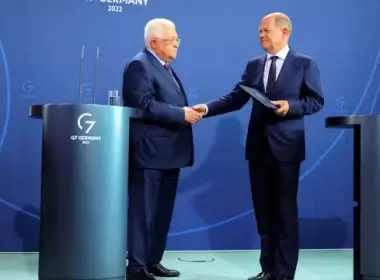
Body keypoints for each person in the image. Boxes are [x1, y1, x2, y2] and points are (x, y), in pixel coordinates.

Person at [193, 12, 324, 280]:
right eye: (259, 31)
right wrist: (206, 108)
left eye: (266, 31)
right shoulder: (254, 65)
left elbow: (316, 100)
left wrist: (292, 107)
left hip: (287, 149)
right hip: (258, 148)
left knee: (285, 211)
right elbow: (236, 98)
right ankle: (268, 269)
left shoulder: (304, 63)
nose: (261, 35)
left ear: (284, 33)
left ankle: (285, 273)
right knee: (264, 211)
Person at [122, 18, 202, 280]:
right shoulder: (139, 65)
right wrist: (181, 114)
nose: (178, 42)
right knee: (143, 212)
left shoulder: (164, 67)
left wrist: (185, 113)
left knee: (161, 212)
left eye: (178, 38)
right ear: (154, 42)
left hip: (169, 153)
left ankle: (152, 260)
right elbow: (143, 104)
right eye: (172, 39)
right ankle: (136, 266)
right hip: (149, 154)